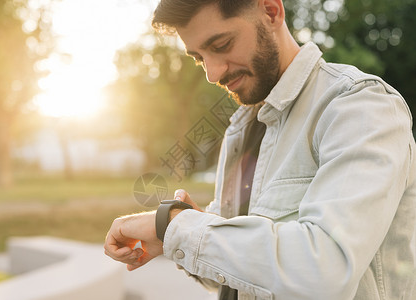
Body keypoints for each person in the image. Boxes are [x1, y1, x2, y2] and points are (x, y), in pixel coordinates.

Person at [104, 0, 416, 299]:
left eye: (221, 45)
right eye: (199, 58)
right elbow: (245, 279)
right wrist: (175, 236)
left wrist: (175, 225)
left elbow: (325, 272)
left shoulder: (358, 106)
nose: (212, 73)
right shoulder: (242, 128)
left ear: (270, 11)